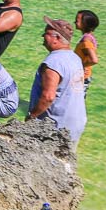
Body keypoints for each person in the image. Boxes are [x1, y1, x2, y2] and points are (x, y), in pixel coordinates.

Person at [27, 17, 87, 147]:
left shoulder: (54, 62)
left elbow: (48, 97)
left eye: (46, 33)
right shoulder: (75, 58)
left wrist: (32, 116)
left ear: (57, 38)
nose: (43, 36)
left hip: (56, 127)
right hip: (75, 123)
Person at [74, 10, 100, 89]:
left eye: (77, 20)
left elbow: (94, 60)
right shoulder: (90, 37)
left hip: (81, 77)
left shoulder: (86, 40)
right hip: (82, 76)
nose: (74, 22)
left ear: (85, 23)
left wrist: (80, 66)